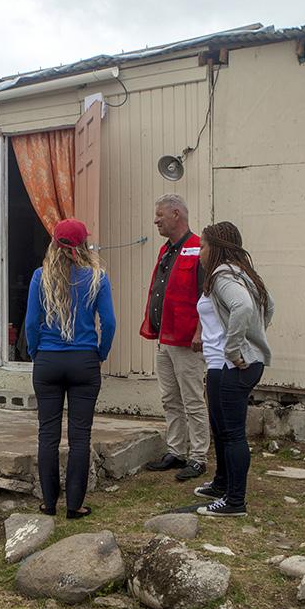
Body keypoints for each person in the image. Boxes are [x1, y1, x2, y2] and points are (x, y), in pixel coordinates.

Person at [25, 218, 116, 518]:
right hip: (84, 361)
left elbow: (30, 324)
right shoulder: (97, 277)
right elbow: (110, 323)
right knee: (80, 437)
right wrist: (100, 353)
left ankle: (49, 504)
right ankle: (75, 505)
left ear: (54, 243)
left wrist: (35, 351)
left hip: (48, 360)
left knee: (47, 435)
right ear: (83, 245)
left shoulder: (41, 277)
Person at [194, 221, 274, 517]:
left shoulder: (222, 275)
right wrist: (255, 338)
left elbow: (243, 307)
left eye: (202, 246)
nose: (199, 252)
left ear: (216, 248)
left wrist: (236, 347)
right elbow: (270, 305)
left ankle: (234, 501)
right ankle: (222, 485)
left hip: (234, 364)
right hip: (226, 364)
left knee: (233, 434)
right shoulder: (241, 272)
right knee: (222, 429)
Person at [140, 194, 209, 481]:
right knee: (170, 398)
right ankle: (177, 451)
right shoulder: (166, 250)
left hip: (187, 340)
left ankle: (199, 456)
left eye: (160, 215)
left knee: (192, 398)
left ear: (176, 214)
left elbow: (207, 294)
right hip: (165, 338)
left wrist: (200, 331)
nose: (155, 220)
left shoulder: (198, 249)